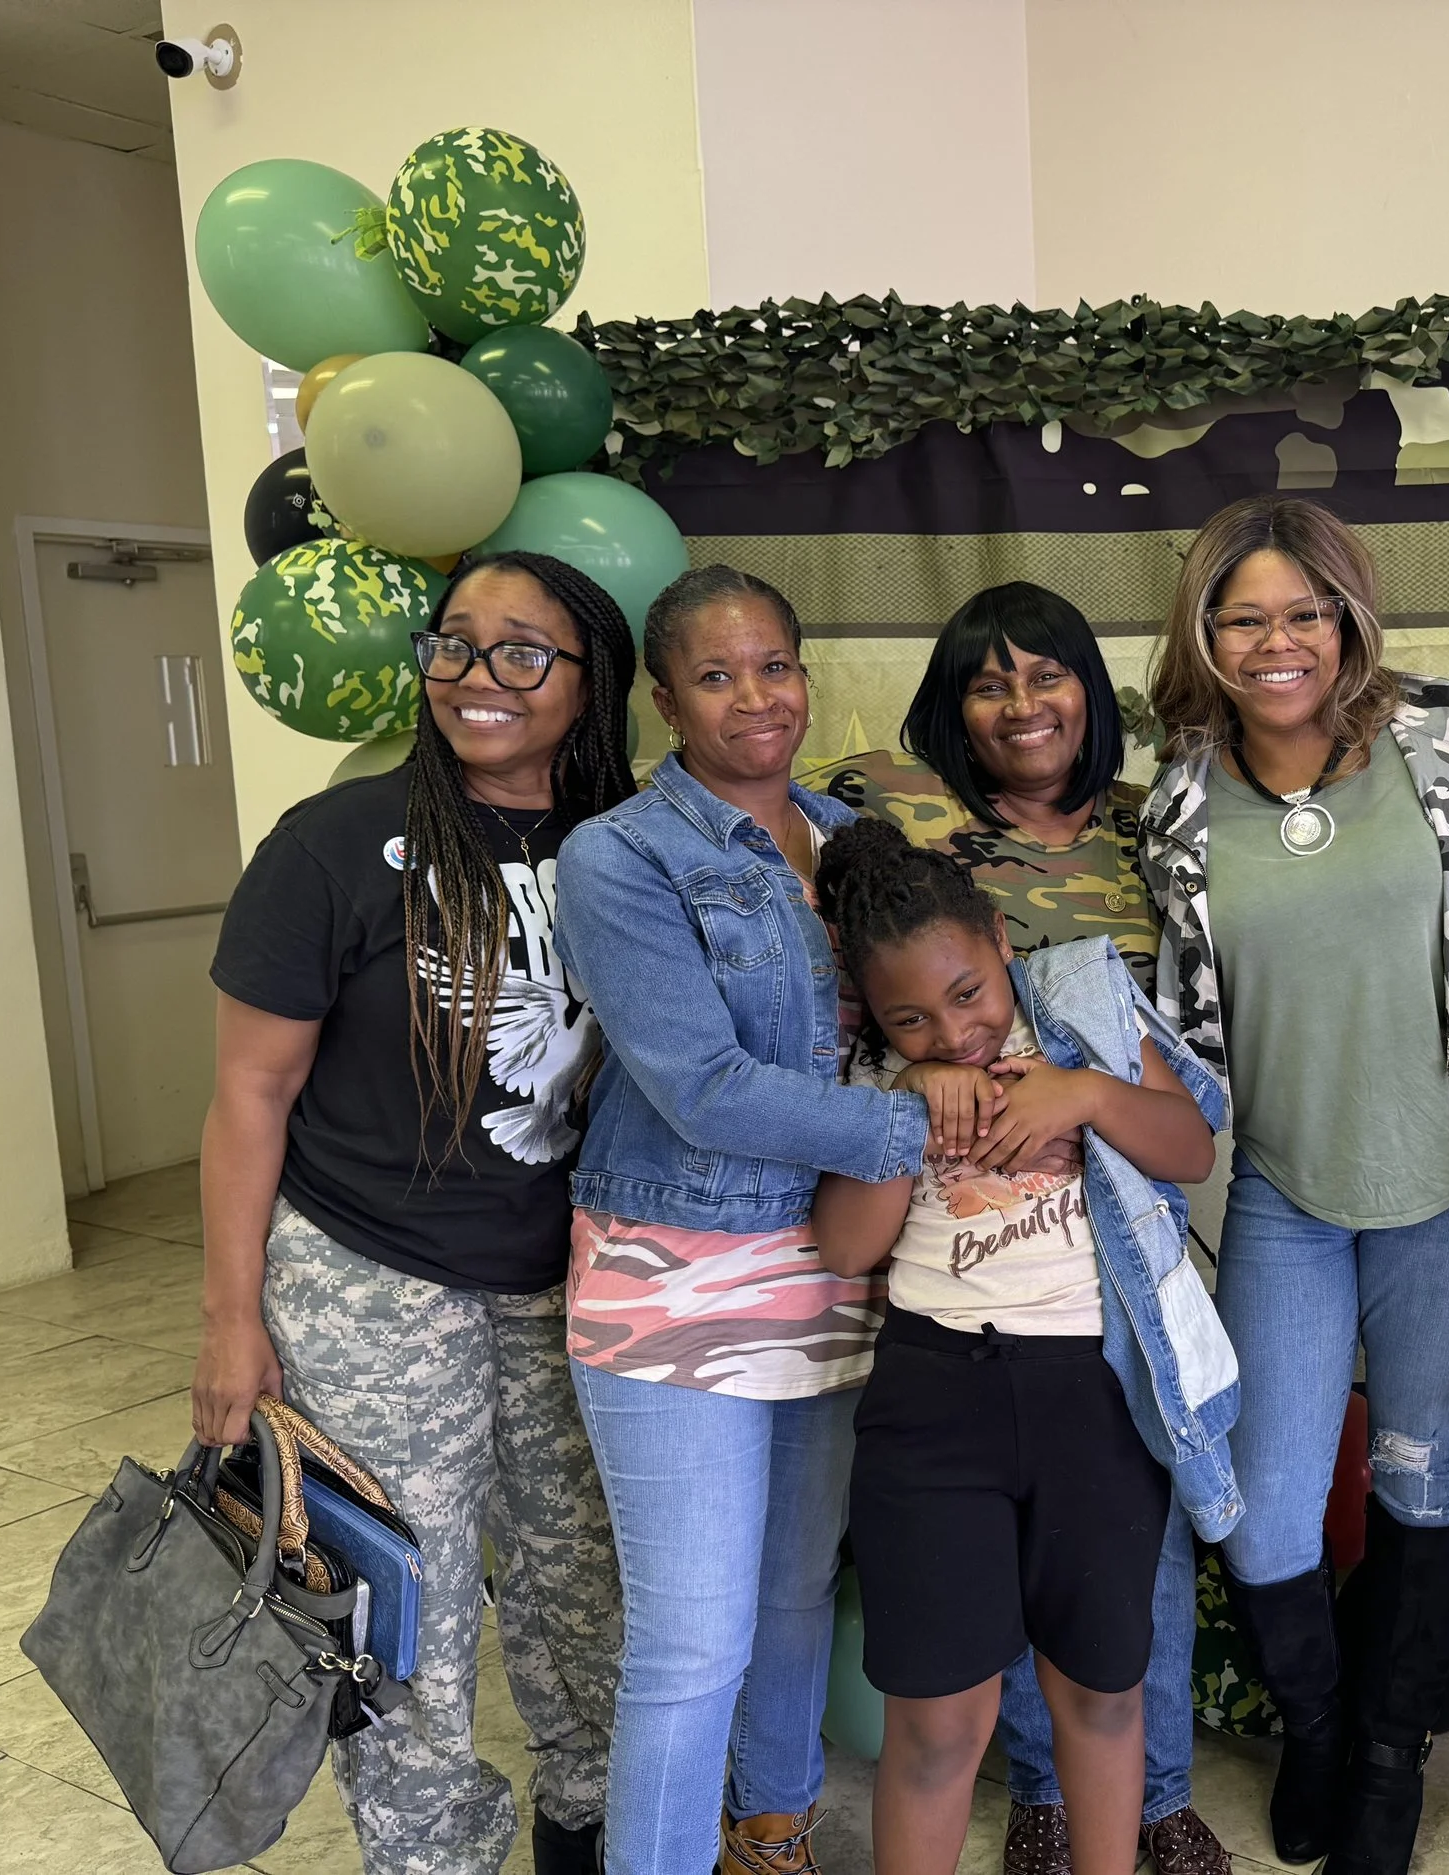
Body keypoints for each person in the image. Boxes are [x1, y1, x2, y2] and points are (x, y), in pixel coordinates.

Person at [195, 549, 636, 1875]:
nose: (475, 675)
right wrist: (229, 1319)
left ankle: (592, 1828)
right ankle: (428, 1855)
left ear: (590, 677)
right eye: (454, 643)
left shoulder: (632, 845)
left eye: (522, 651)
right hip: (373, 1279)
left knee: (588, 1594)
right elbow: (246, 1095)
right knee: (409, 1620)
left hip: (579, 1280)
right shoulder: (332, 845)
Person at [1137, 495, 1449, 1875]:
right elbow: (1185, 1029)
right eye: (1244, 615)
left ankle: (1387, 1753)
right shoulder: (1183, 804)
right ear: (1206, 632)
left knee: (1426, 1473)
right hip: (1290, 1191)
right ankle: (1313, 1723)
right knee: (1261, 1493)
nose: (1276, 641)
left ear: (1350, 617)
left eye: (1304, 612)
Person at [821, 582, 1229, 1875]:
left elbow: (1191, 1146)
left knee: (1104, 1688)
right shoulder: (878, 1080)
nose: (954, 1031)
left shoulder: (1083, 1018)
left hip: (1093, 1389)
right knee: (938, 1720)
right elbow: (844, 1248)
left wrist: (1088, 1093)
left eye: (968, 994)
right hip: (934, 1399)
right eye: (912, 1020)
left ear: (1005, 941)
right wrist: (907, 1115)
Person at [552, 565, 933, 1875]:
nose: (755, 697)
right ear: (665, 701)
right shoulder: (618, 854)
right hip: (678, 1275)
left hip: (828, 1267)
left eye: (775, 665)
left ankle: (770, 1833)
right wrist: (913, 1128)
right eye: (717, 675)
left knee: (789, 1598)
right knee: (691, 1637)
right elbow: (702, 1087)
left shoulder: (852, 837)